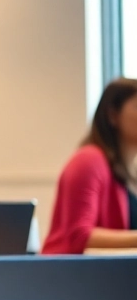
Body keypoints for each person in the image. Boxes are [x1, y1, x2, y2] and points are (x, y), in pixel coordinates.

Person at [43, 77, 137, 253]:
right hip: (68, 276)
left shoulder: (129, 169)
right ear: (113, 115)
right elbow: (80, 236)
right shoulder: (89, 160)